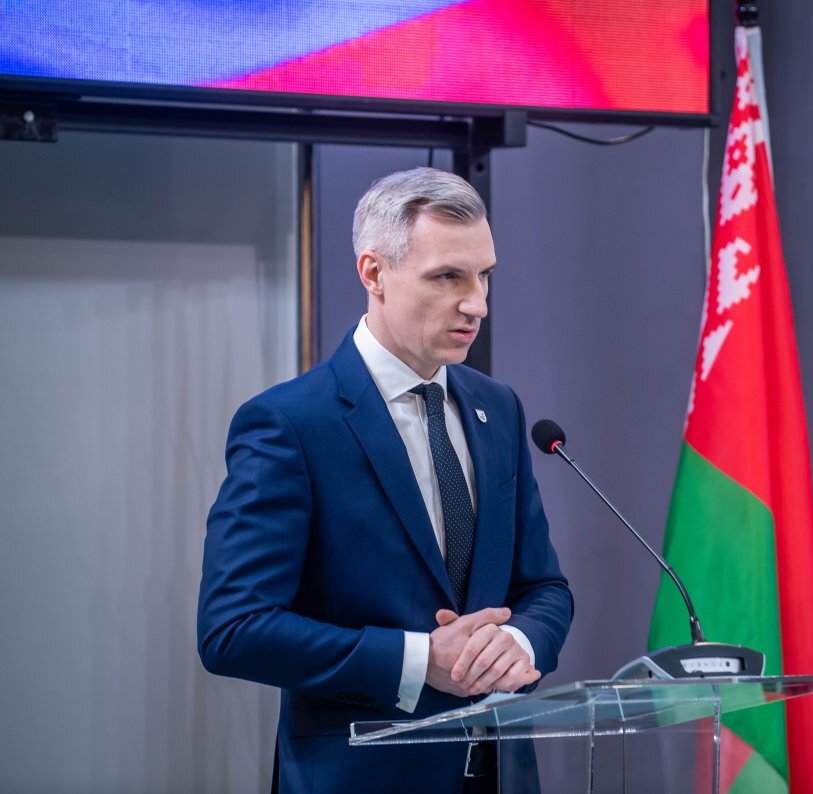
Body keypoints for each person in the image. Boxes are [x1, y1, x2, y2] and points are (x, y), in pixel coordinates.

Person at [197, 167, 573, 793]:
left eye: (484, 275)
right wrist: (420, 661)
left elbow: (544, 588)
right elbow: (232, 629)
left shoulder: (499, 409)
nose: (477, 303)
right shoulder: (290, 423)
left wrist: (519, 642)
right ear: (373, 273)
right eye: (447, 276)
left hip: (501, 776)